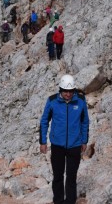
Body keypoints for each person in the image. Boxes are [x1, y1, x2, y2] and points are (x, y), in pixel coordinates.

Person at [40, 75, 90, 204]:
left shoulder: (80, 100)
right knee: (58, 176)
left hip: (75, 145)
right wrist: (43, 142)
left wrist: (84, 141)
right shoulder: (52, 101)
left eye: (70, 91)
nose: (68, 94)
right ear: (60, 89)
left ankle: (70, 201)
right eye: (65, 91)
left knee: (71, 176)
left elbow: (85, 121)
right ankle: (58, 201)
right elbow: (44, 121)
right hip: (57, 146)